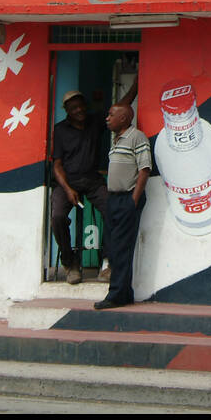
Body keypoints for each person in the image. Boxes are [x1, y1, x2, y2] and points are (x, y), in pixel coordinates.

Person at [51, 81, 137, 284]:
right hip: (67, 182)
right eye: (73, 108)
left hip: (92, 179)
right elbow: (57, 165)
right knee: (57, 217)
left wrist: (136, 84)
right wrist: (68, 189)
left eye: (81, 105)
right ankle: (70, 263)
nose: (79, 110)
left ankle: (107, 263)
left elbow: (122, 105)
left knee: (112, 209)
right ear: (67, 111)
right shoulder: (60, 130)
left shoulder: (95, 121)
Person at [94, 103, 151, 310]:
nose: (107, 118)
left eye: (111, 115)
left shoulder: (137, 137)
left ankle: (116, 294)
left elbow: (144, 170)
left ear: (125, 118)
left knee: (121, 248)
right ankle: (125, 293)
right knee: (113, 246)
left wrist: (133, 201)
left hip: (127, 198)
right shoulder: (116, 139)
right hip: (114, 199)